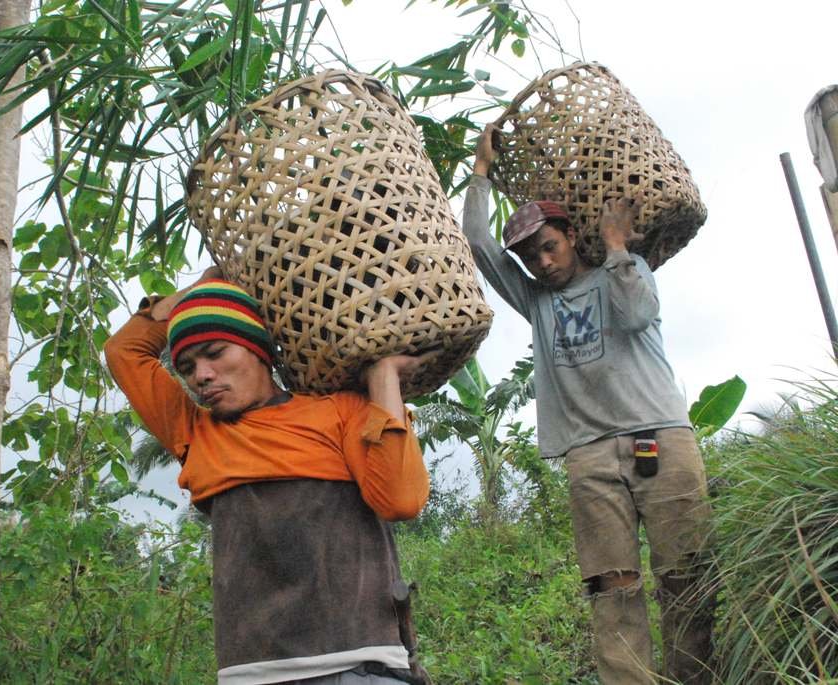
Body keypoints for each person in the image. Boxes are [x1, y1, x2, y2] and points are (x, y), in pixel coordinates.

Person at [462, 123, 714, 684]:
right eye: (530, 257)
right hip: (590, 456)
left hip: (662, 438)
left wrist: (621, 248)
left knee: (687, 575)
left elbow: (638, 316)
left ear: (572, 236)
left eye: (548, 247)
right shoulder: (536, 302)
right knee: (612, 585)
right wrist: (480, 171)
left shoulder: (621, 274)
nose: (542, 263)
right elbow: (478, 243)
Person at [104, 268, 433, 685]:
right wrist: (199, 288)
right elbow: (123, 351)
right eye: (186, 366)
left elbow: (401, 500)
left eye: (216, 352)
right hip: (252, 674)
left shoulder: (337, 412)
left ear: (258, 350)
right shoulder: (196, 433)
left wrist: (384, 376)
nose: (200, 376)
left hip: (359, 662)